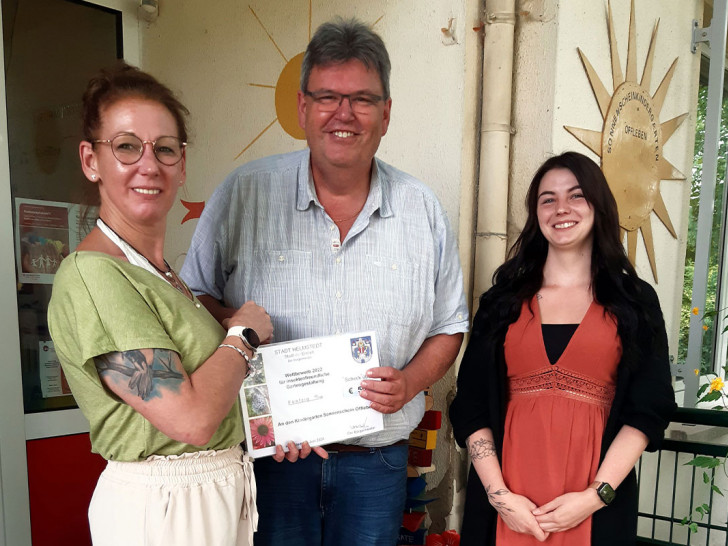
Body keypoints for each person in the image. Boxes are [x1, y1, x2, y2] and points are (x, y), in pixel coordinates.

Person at [181, 17, 469, 546]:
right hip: (271, 458)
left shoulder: (421, 209)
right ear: (302, 108)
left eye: (362, 98)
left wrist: (409, 382)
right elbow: (193, 298)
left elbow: (450, 325)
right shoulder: (245, 194)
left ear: (386, 113)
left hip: (375, 463)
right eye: (328, 96)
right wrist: (238, 327)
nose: (344, 114)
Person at [47, 64, 277, 546]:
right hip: (164, 508)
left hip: (213, 492)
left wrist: (274, 426)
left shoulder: (164, 275)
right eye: (126, 146)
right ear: (91, 160)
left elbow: (214, 396)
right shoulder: (93, 275)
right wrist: (244, 334)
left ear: (182, 164)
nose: (149, 164)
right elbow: (188, 419)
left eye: (165, 148)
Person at [449, 151, 676, 546]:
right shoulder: (502, 301)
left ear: (598, 205)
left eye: (576, 195)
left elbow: (648, 408)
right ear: (536, 213)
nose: (561, 209)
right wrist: (500, 498)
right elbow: (471, 407)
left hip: (592, 508)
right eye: (547, 199)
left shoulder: (635, 301)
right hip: (508, 508)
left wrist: (595, 496)